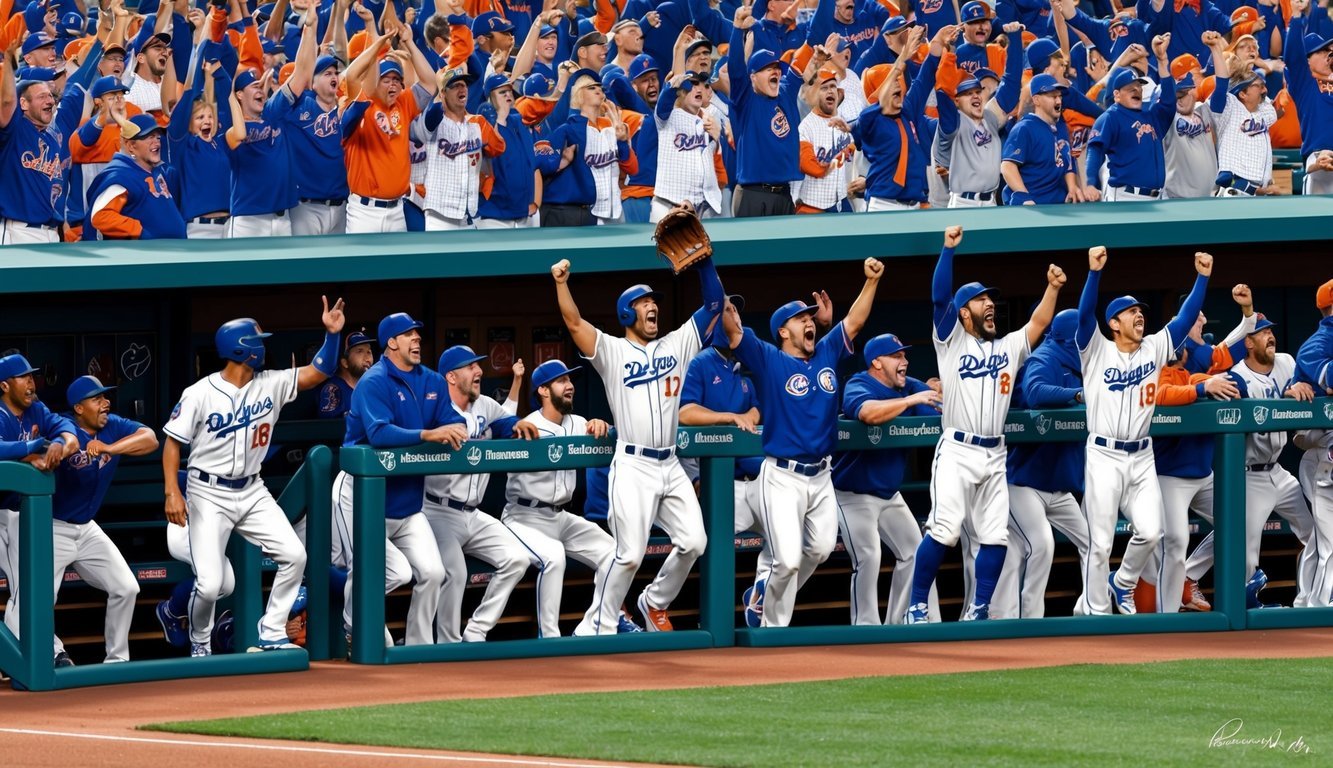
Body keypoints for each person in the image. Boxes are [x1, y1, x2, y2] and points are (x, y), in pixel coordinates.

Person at [549, 244, 725, 633]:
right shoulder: (613, 350)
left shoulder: (677, 344)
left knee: (695, 542)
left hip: (671, 464)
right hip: (633, 465)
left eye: (654, 302)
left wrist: (704, 262)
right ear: (628, 312)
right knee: (628, 555)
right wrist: (562, 284)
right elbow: (575, 324)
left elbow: (715, 305)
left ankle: (653, 602)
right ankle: (597, 623)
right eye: (644, 302)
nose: (652, 307)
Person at [163, 299, 345, 656]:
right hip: (207, 492)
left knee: (294, 555)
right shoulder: (199, 393)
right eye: (258, 339)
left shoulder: (271, 383)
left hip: (252, 489)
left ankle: (272, 629)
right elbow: (172, 444)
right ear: (241, 348)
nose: (264, 345)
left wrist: (332, 336)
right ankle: (200, 639)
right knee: (212, 582)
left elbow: (318, 372)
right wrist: (172, 491)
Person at [905, 225, 1066, 624]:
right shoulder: (951, 341)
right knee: (944, 530)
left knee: (995, 536)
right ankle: (917, 606)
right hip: (957, 449)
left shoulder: (1008, 347)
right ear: (964, 313)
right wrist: (947, 250)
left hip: (995, 451)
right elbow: (940, 295)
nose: (989, 304)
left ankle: (980, 608)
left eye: (991, 299)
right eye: (980, 300)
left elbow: (1038, 323)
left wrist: (1052, 288)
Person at [719, 259, 883, 627]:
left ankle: (762, 591)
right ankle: (772, 630)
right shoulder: (769, 358)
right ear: (783, 331)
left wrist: (871, 281)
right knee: (788, 560)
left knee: (822, 549)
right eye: (800, 319)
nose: (809, 322)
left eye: (811, 317)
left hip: (822, 474)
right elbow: (733, 330)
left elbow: (854, 321)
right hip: (782, 476)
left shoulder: (826, 351)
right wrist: (710, 275)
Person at [1075, 246, 1211, 615]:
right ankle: (1094, 615)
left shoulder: (1153, 348)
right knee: (1100, 543)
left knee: (1151, 532)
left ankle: (1122, 583)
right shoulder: (1096, 349)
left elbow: (1182, 322)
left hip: (1141, 455)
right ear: (1114, 323)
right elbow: (1085, 315)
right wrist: (1094, 274)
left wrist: (1202, 278)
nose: (1139, 317)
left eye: (1140, 312)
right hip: (1103, 455)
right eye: (1131, 312)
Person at [338, 312, 466, 649]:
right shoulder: (374, 381)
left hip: (407, 505)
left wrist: (458, 430)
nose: (416, 340)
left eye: (418, 335)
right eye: (409, 335)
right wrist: (428, 433)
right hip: (363, 495)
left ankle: (419, 645)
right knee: (389, 571)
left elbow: (454, 422)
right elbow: (379, 433)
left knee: (434, 573)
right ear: (391, 342)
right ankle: (353, 625)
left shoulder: (433, 381)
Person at [501, 359, 630, 637]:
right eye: (562, 381)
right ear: (543, 391)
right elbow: (501, 437)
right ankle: (549, 637)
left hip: (561, 516)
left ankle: (596, 624)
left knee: (615, 553)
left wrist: (601, 424)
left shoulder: (578, 423)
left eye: (570, 380)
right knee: (555, 557)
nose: (570, 385)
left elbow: (603, 432)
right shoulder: (526, 426)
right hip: (524, 516)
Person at [980, 310, 1093, 618]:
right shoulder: (1044, 357)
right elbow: (1035, 392)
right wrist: (1079, 394)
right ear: (1070, 337)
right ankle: (1031, 622)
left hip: (1058, 486)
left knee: (1094, 544)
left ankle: (1091, 609)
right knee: (1040, 544)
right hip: (1024, 481)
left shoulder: (1088, 362)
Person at [425, 345, 539, 643]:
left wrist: (519, 423)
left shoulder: (486, 405)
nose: (479, 372)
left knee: (517, 559)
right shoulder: (433, 410)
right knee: (456, 574)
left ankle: (475, 632)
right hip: (437, 510)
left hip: (473, 514)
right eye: (470, 367)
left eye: (478, 366)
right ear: (450, 376)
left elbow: (505, 424)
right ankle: (447, 645)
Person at [832, 333, 943, 625]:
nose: (904, 361)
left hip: (889, 495)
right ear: (876, 362)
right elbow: (867, 413)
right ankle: (865, 631)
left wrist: (937, 388)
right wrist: (910, 400)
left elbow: (936, 396)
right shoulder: (859, 383)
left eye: (905, 355)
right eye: (897, 356)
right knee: (868, 557)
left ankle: (900, 624)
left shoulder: (906, 385)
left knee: (916, 552)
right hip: (852, 494)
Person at [677, 294, 772, 627]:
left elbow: (760, 406)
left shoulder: (745, 361)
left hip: (757, 478)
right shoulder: (700, 362)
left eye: (736, 310)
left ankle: (761, 592)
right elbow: (685, 412)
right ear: (716, 323)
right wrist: (729, 416)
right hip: (722, 482)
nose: (736, 316)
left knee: (790, 536)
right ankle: (709, 623)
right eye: (729, 311)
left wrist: (749, 412)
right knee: (706, 545)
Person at [50, 376, 158, 662]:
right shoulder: (64, 426)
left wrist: (111, 448)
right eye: (97, 399)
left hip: (87, 529)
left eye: (105, 397)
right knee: (40, 599)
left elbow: (150, 439)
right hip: (51, 527)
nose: (106, 403)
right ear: (78, 407)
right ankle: (53, 654)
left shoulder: (113, 426)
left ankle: (117, 660)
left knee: (126, 587)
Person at [0, 353, 78, 664]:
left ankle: (46, 653)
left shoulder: (38, 410)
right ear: (5, 385)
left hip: (17, 513)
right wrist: (34, 447)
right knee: (26, 588)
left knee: (27, 587)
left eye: (32, 376)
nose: (32, 383)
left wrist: (62, 443)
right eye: (24, 377)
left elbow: (69, 431)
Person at [935, 21, 1024, 208]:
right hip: (963, 203)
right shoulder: (954, 122)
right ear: (957, 101)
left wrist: (1015, 39)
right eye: (968, 93)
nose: (976, 95)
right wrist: (949, 52)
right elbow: (943, 91)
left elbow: (1011, 84)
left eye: (978, 92)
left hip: (991, 202)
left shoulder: (989, 118)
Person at [728, 5, 803, 217]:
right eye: (768, 68)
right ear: (753, 76)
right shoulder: (746, 100)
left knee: (787, 251)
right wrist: (736, 30)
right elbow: (735, 71)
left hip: (784, 195)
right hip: (753, 194)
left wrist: (815, 58)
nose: (776, 72)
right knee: (749, 252)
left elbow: (800, 67)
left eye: (777, 68)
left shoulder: (785, 94)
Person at [1085, 37, 1178, 202]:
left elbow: (1169, 101)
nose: (1137, 91)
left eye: (1138, 87)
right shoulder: (1111, 117)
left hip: (1156, 197)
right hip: (1125, 196)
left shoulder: (1151, 117)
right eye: (1130, 89)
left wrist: (1162, 61)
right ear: (1117, 94)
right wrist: (1090, 183)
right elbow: (1095, 150)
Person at [416, 66, 507, 230]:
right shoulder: (435, 123)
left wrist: (493, 123)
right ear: (443, 93)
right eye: (454, 85)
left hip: (469, 215)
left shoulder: (476, 124)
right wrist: (437, 90)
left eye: (464, 85)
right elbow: (431, 116)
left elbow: (498, 149)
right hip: (440, 215)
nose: (461, 88)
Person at [83, 113, 187, 239]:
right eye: (150, 137)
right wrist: (139, 232)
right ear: (131, 146)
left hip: (169, 252)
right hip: (143, 255)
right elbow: (100, 216)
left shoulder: (157, 172)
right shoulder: (121, 175)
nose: (157, 143)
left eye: (158, 138)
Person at [1001, 74, 1098, 205]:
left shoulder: (1061, 127)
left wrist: (1072, 187)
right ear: (1036, 100)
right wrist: (1024, 197)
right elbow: (1007, 166)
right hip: (1033, 207)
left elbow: (1067, 163)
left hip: (1058, 205)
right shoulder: (1025, 128)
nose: (1058, 101)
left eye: (1059, 96)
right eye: (1052, 96)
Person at [1204, 31, 1279, 197]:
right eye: (1258, 86)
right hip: (1236, 189)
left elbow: (1271, 108)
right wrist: (1216, 49)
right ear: (1243, 94)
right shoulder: (1228, 107)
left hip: (1260, 189)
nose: (1264, 89)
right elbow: (1222, 84)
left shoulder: (1265, 110)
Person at [318, 329, 375, 420]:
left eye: (369, 352)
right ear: (345, 363)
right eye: (360, 351)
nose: (367, 358)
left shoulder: (373, 387)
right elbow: (330, 428)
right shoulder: (333, 389)